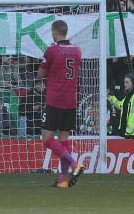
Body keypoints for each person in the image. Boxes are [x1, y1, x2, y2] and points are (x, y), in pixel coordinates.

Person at [37, 20, 84, 189]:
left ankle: (74, 164)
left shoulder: (52, 50)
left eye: (52, 32)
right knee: (64, 139)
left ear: (55, 32)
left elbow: (40, 74)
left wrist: (48, 70)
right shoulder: (77, 51)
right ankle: (63, 180)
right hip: (71, 100)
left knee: (47, 139)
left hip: (55, 99)